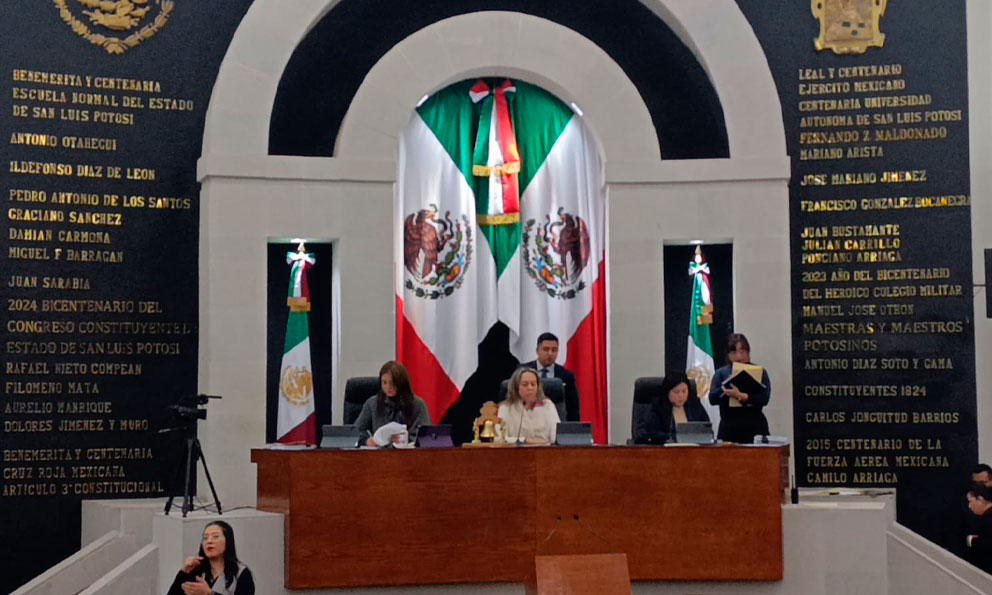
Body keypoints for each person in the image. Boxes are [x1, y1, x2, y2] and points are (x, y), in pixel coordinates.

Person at [708, 333, 771, 443]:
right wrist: (726, 387)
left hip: (755, 427)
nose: (739, 356)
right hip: (729, 428)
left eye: (742, 352)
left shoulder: (760, 371)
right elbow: (712, 399)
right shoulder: (721, 373)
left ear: (748, 351)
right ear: (728, 354)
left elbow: (764, 399)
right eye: (734, 352)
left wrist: (742, 396)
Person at [355, 361, 431, 447]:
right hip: (378, 453)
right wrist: (366, 440)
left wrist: (405, 440)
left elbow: (425, 436)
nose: (388, 387)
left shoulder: (418, 405)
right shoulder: (372, 404)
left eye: (392, 383)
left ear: (401, 383)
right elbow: (355, 432)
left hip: (408, 453)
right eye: (384, 382)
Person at [167, 520, 255, 595]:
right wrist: (183, 573)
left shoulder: (241, 573)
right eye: (205, 538)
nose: (209, 541)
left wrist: (209, 593)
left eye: (215, 537)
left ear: (228, 541)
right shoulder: (196, 571)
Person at [633, 372, 709, 444]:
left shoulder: (694, 404)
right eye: (676, 392)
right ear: (667, 392)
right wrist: (676, 438)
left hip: (694, 449)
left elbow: (706, 429)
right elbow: (653, 433)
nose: (681, 395)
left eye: (684, 391)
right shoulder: (657, 406)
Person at [523, 332, 580, 421]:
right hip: (528, 420)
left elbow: (573, 409)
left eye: (554, 350)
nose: (550, 353)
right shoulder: (522, 372)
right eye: (546, 349)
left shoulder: (566, 376)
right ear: (537, 350)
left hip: (556, 421)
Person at [499, 367, 561, 444]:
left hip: (544, 449)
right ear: (516, 387)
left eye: (533, 384)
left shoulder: (547, 405)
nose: (530, 388)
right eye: (525, 384)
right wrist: (524, 440)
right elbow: (498, 438)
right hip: (516, 450)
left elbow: (558, 436)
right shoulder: (505, 408)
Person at [965, 485, 992, 573]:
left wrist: (972, 541)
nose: (969, 506)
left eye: (970, 501)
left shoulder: (988, 519)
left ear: (980, 499)